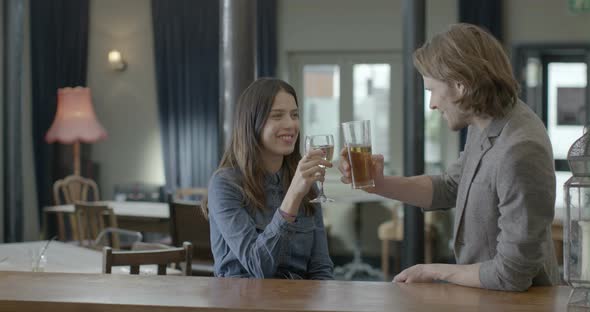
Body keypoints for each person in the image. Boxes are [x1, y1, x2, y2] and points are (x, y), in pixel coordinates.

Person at [339, 23, 559, 291]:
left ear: (461, 85)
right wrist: (378, 183)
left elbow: (511, 274)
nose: (431, 104)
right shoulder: (487, 120)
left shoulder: (520, 149)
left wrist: (432, 270)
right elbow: (451, 186)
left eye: (432, 90)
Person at [206, 77, 334, 279]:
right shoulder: (225, 184)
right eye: (277, 116)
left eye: (294, 115)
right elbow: (258, 267)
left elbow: (321, 269)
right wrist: (293, 196)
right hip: (242, 303)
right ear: (252, 122)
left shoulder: (307, 186)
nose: (290, 124)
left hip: (298, 303)